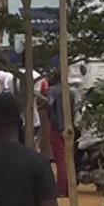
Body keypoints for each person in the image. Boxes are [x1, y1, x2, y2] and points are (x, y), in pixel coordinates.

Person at [45, 70, 72, 198]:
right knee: (68, 159)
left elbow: (48, 105)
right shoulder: (70, 91)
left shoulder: (53, 92)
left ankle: (61, 189)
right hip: (69, 128)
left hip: (57, 128)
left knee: (60, 160)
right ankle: (68, 188)